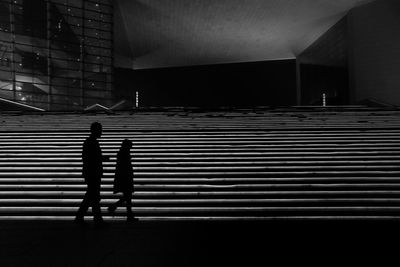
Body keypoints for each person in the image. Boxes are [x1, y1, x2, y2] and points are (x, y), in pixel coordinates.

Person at [75, 122, 109, 224]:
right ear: (95, 131)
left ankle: (82, 217)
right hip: (93, 173)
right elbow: (91, 158)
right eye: (100, 130)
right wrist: (102, 158)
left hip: (91, 173)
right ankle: (96, 219)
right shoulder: (91, 142)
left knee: (92, 196)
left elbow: (87, 158)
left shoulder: (90, 142)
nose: (101, 132)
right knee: (93, 196)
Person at [108, 139, 137, 222]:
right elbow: (125, 167)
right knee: (128, 197)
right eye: (130, 145)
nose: (131, 147)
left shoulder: (122, 152)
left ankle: (128, 215)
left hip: (124, 178)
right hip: (125, 178)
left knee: (127, 197)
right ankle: (115, 207)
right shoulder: (124, 153)